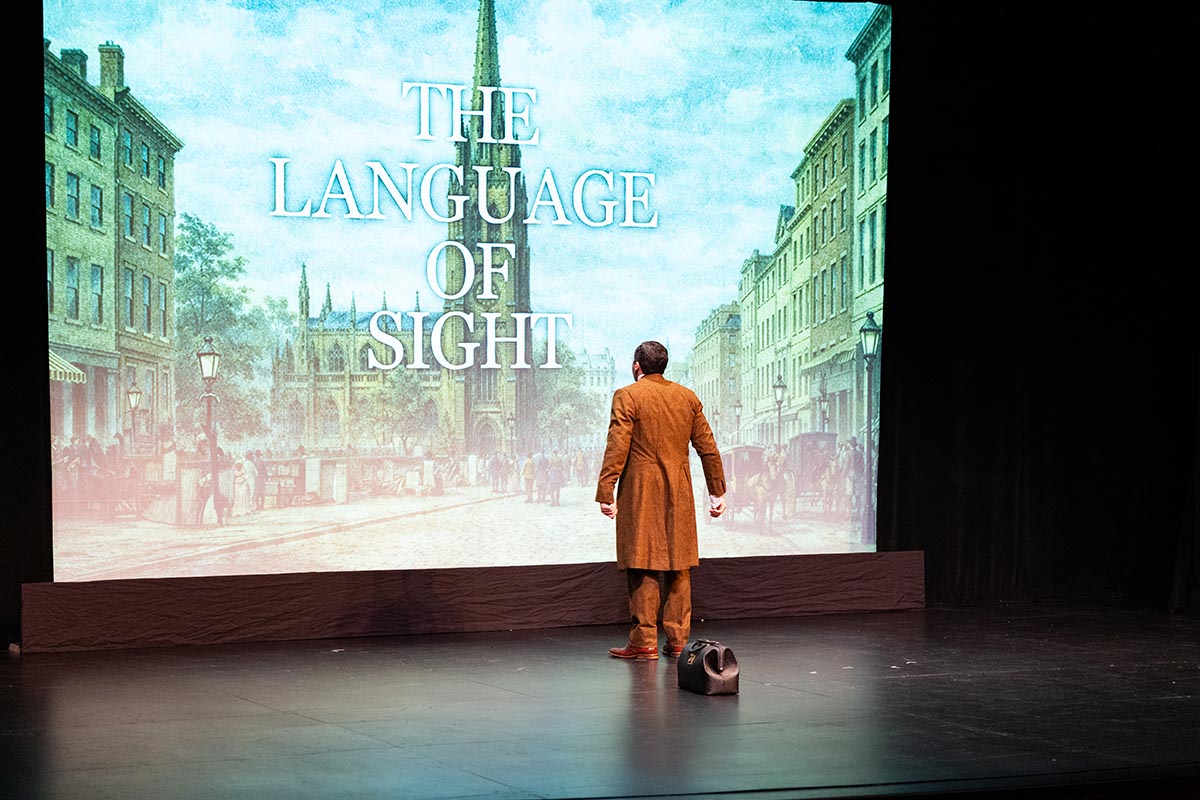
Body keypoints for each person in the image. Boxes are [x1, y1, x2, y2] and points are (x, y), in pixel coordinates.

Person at [595, 340, 726, 661]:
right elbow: (708, 447)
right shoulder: (687, 397)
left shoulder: (627, 396)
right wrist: (717, 491)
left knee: (642, 562)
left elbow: (617, 446)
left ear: (636, 366)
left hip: (640, 490)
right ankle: (679, 641)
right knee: (679, 564)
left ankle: (644, 641)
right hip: (679, 490)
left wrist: (606, 491)